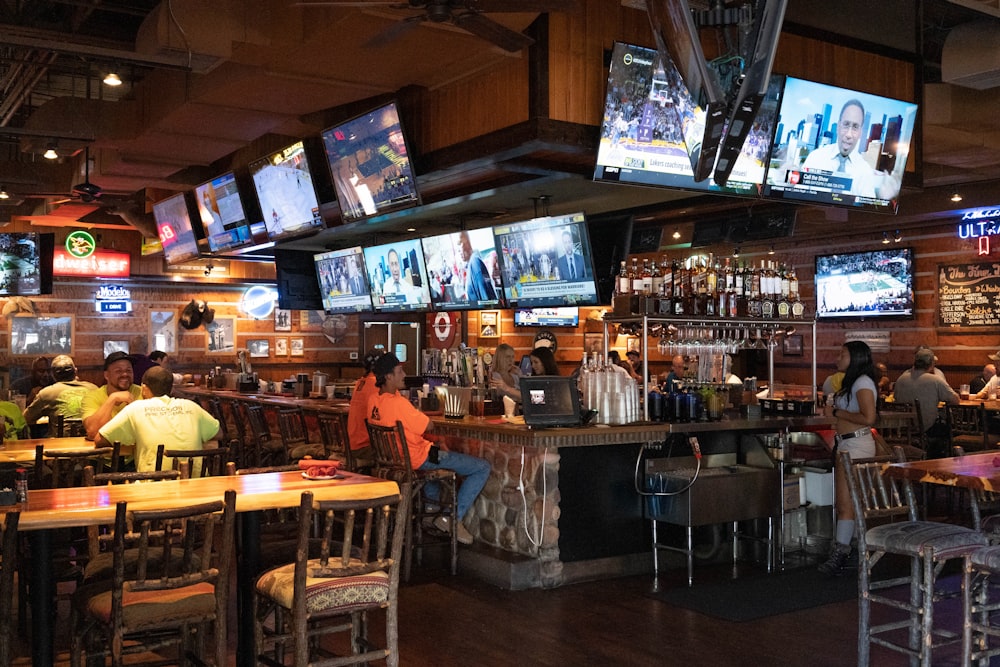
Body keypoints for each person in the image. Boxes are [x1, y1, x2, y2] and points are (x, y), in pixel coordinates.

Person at [367, 353, 490, 545]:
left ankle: (430, 514)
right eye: (400, 371)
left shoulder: (373, 400)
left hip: (395, 461)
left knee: (433, 464)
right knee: (481, 467)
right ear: (388, 377)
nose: (404, 375)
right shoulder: (398, 403)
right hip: (418, 459)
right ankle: (451, 519)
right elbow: (428, 426)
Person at [818, 341, 879, 577]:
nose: (837, 358)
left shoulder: (862, 382)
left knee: (846, 503)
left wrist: (835, 412)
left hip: (855, 444)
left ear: (854, 357)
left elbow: (869, 417)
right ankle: (853, 549)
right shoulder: (852, 382)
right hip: (849, 442)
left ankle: (841, 551)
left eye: (841, 354)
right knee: (850, 502)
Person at [96, 366, 219, 473]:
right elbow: (218, 433)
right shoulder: (191, 407)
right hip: (196, 484)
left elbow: (99, 440)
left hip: (154, 484)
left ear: (143, 388)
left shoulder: (136, 408)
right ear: (171, 389)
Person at [801, 99, 901, 200]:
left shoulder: (865, 171)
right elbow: (798, 198)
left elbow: (867, 211)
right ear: (838, 126)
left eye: (855, 127)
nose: (849, 134)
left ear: (860, 132)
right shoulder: (815, 158)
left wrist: (883, 199)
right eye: (846, 124)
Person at [893, 347, 959, 454]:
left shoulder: (901, 379)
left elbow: (895, 399)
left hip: (903, 428)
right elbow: (956, 400)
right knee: (950, 430)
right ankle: (938, 460)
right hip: (927, 428)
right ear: (932, 364)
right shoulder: (935, 380)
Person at [22, 354, 97, 437]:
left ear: (53, 375)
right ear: (75, 371)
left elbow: (25, 419)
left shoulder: (47, 393)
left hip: (59, 447)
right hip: (92, 445)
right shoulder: (93, 389)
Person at [82, 350, 143, 441]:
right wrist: (113, 398)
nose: (125, 374)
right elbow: (92, 432)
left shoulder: (143, 393)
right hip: (105, 454)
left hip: (136, 452)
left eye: (128, 370)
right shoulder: (92, 397)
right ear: (107, 375)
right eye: (118, 371)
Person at [346, 348, 384, 471]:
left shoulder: (360, 382)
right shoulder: (377, 385)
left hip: (352, 445)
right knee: (404, 452)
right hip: (366, 447)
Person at [457, 231, 496, 302]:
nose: (459, 252)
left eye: (460, 243)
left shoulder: (475, 263)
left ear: (467, 244)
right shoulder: (472, 263)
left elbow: (487, 300)